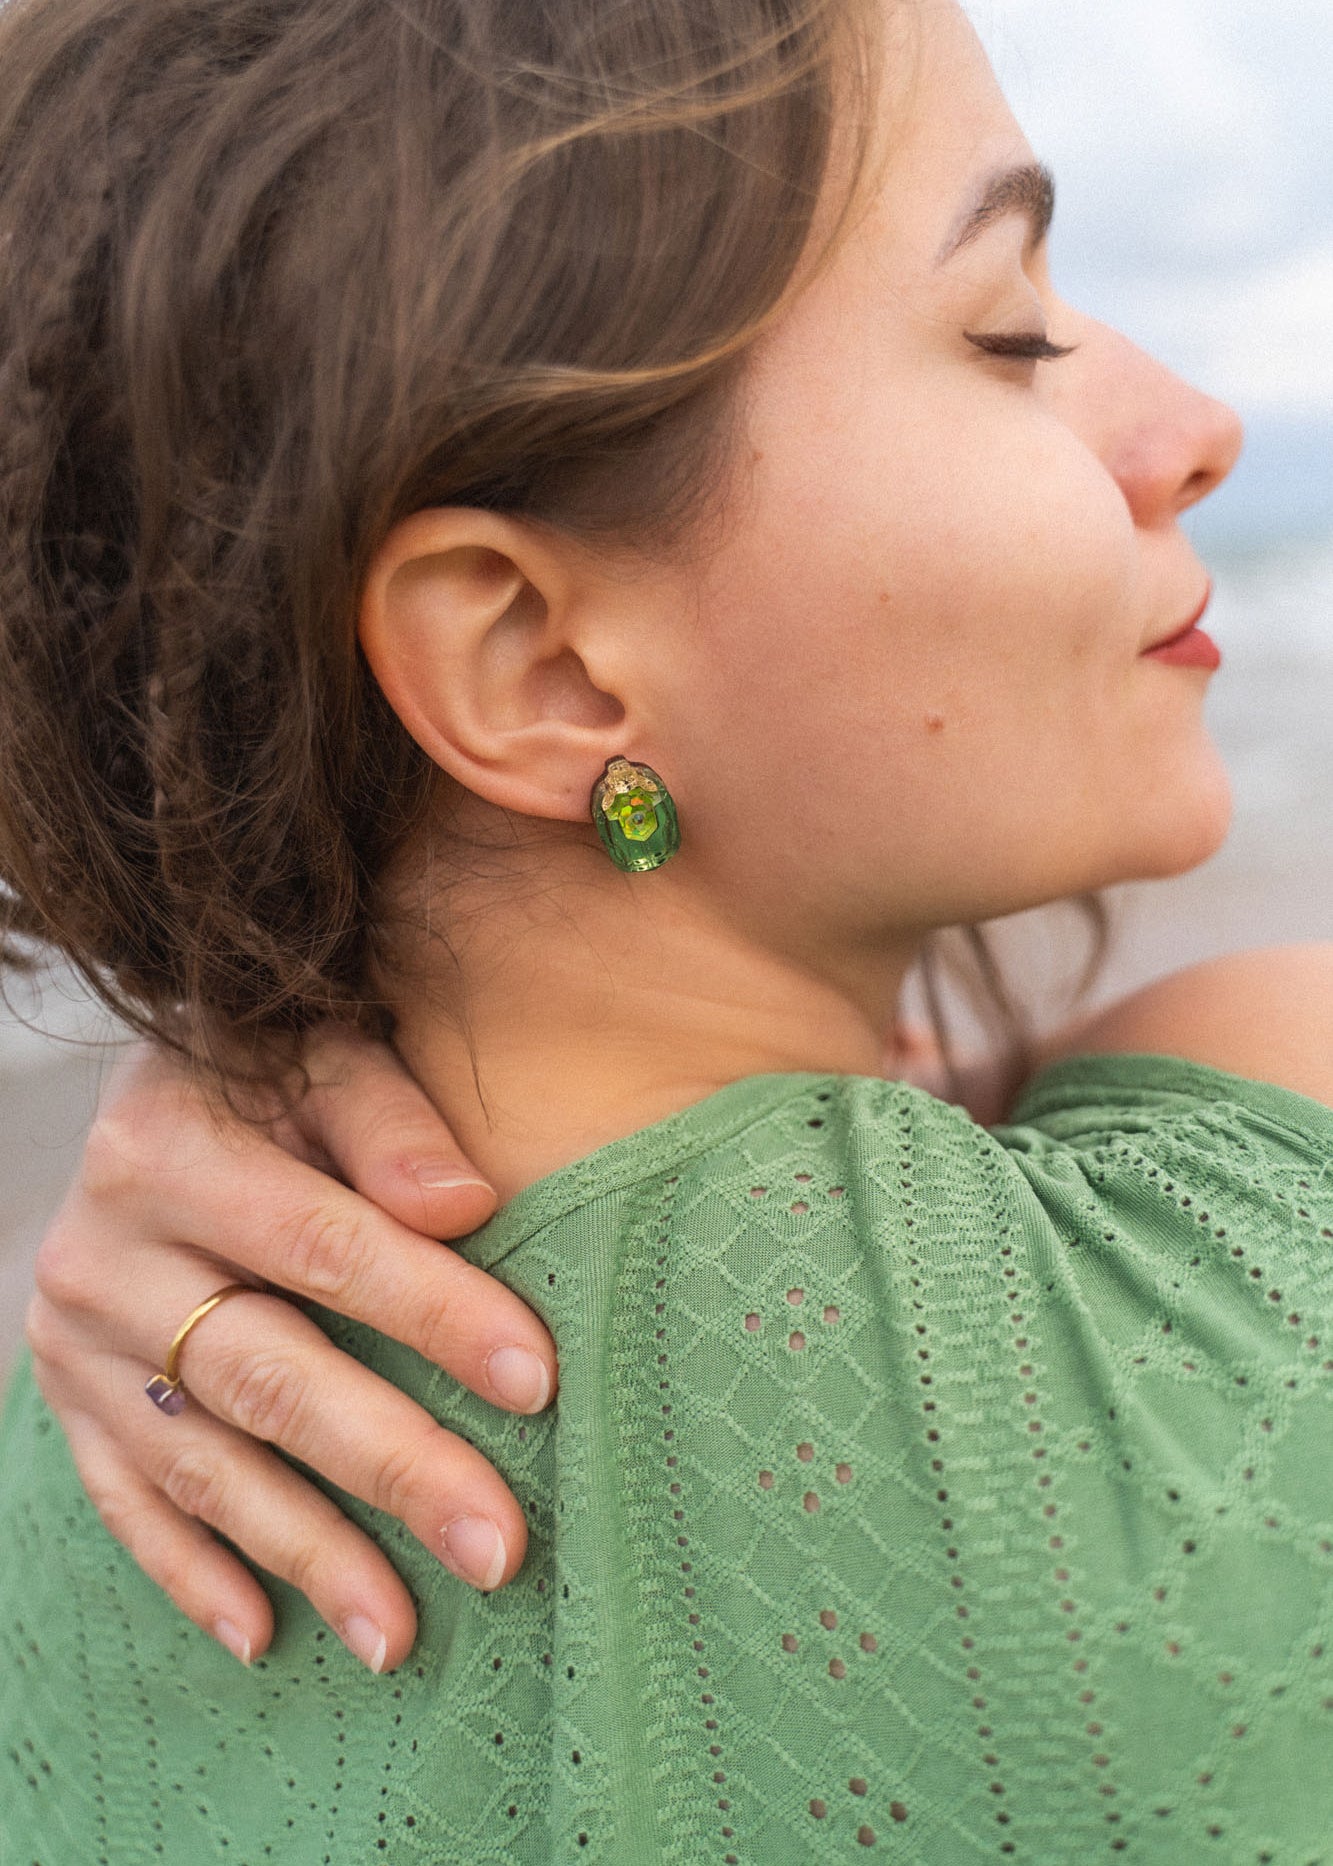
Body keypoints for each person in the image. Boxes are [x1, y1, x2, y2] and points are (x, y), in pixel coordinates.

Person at [1, 0, 1331, 1855]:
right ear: (534, 664)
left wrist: (242, 995)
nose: (1189, 429)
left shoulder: (85, 1480)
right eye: (1008, 334)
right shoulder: (1261, 1226)